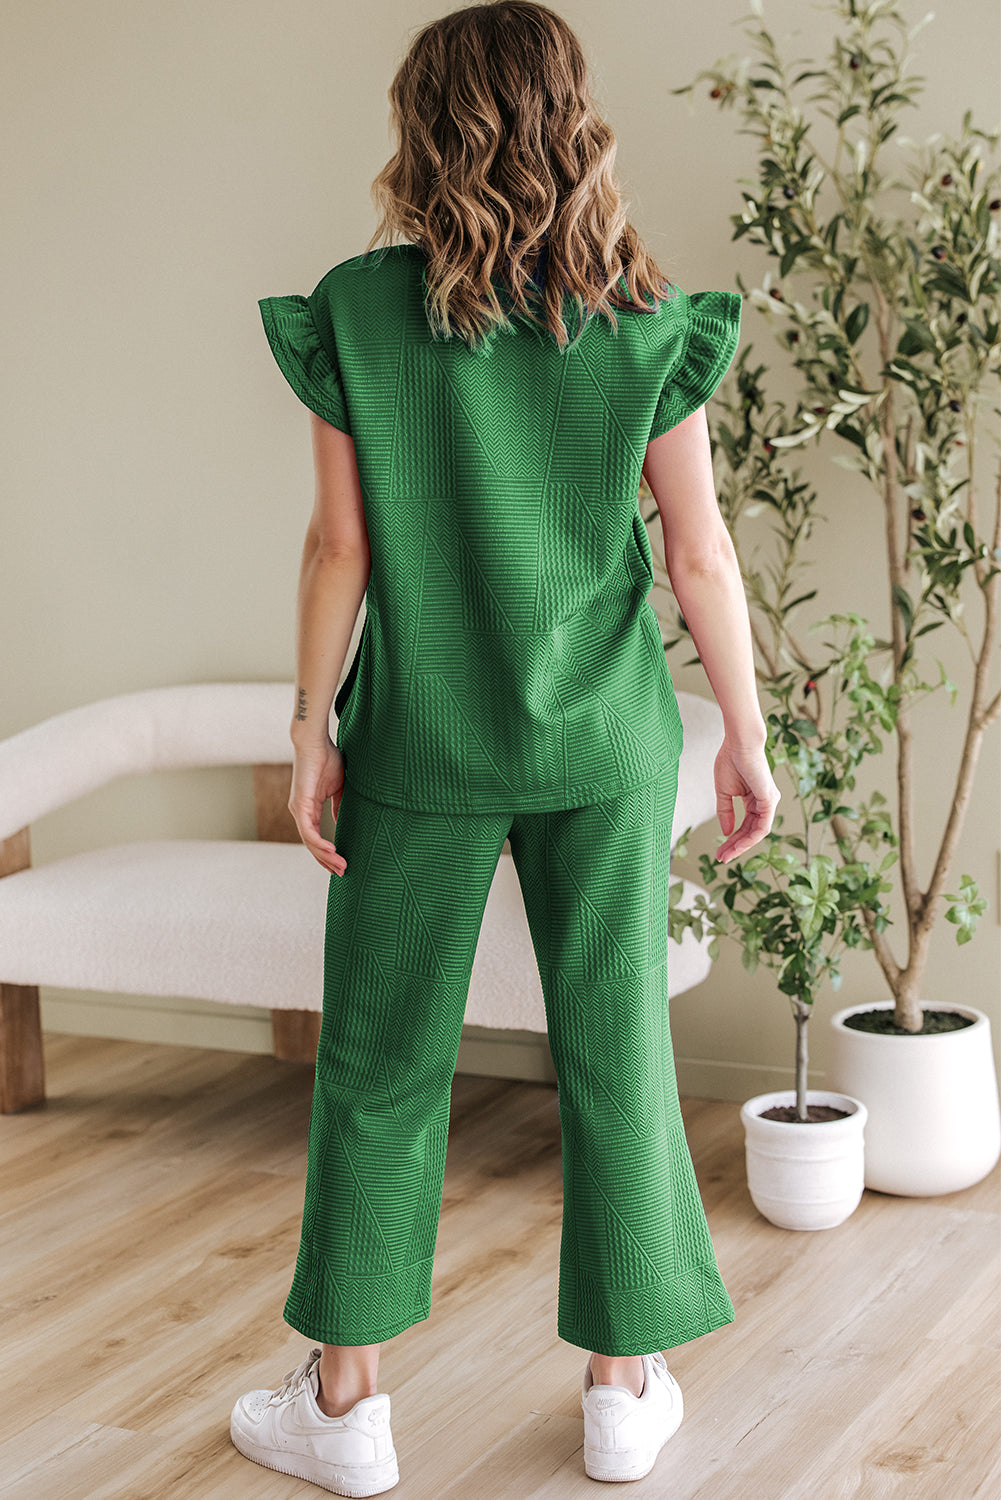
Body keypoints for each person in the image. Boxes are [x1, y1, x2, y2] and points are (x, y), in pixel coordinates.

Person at [231, 2, 781, 1493]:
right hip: (607, 740)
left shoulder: (355, 311)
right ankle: (620, 1392)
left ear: (424, 130)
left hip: (417, 740)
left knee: (378, 1063)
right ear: (571, 127)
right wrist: (742, 728)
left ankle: (345, 1412)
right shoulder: (645, 322)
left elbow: (336, 549)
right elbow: (699, 554)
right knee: (615, 1051)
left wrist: (306, 734)